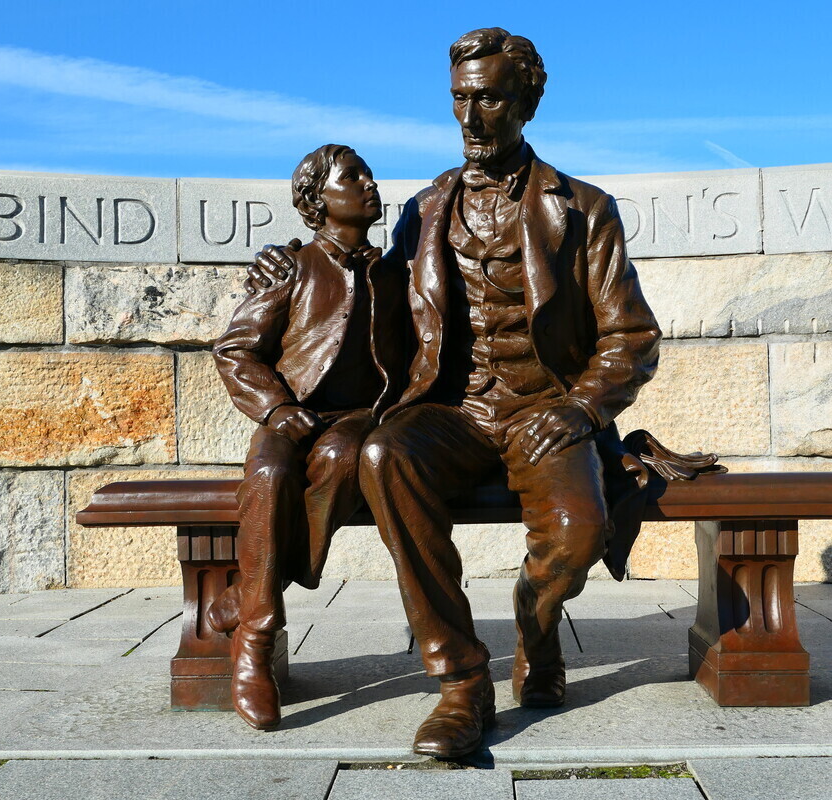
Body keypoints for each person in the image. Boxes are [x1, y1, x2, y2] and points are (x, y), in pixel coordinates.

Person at [254, 27, 661, 758]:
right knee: (382, 455)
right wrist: (288, 262)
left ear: (527, 102)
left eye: (491, 98)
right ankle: (462, 681)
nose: (472, 117)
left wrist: (578, 407)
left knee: (577, 535)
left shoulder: (586, 208)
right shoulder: (425, 207)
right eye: (460, 99)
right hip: (456, 413)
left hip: (547, 412)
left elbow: (630, 337)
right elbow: (360, 279)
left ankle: (535, 627)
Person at [211, 144, 403, 730]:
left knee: (348, 457)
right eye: (353, 176)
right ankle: (257, 640)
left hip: (356, 418)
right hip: (290, 415)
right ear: (317, 200)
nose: (369, 183)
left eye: (368, 173)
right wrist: (274, 408)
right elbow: (236, 349)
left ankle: (246, 596)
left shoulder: (398, 273)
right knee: (269, 474)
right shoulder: (291, 267)